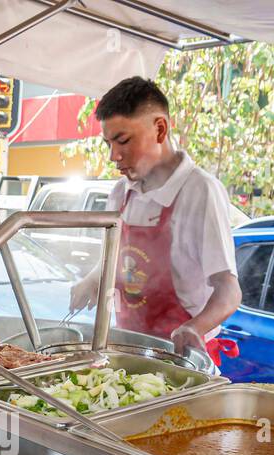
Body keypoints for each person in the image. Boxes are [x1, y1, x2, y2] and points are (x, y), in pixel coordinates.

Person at [69, 77, 242, 354]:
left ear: (160, 129)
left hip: (180, 356)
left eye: (123, 140)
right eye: (108, 144)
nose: (114, 155)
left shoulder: (200, 191)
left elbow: (229, 290)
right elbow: (119, 263)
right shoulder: (121, 193)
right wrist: (93, 279)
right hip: (128, 349)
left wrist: (195, 327)